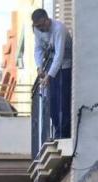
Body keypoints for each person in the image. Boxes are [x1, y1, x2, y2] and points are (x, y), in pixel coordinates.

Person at [32, 8, 72, 139]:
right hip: (52, 67)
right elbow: (37, 49)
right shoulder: (37, 30)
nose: (41, 29)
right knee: (52, 102)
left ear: (47, 19)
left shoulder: (58, 28)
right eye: (37, 26)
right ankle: (57, 130)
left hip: (64, 66)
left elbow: (59, 55)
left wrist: (49, 76)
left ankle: (63, 134)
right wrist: (39, 67)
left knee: (62, 102)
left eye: (42, 25)